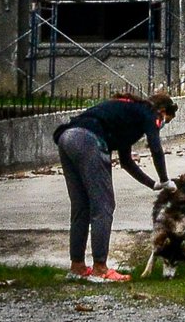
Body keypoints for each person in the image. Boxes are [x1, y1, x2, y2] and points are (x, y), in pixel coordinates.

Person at [58, 90, 176, 282]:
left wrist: (153, 184)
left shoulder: (128, 113)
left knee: (81, 206)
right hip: (89, 141)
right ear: (162, 111)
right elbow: (156, 148)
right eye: (166, 120)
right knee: (104, 206)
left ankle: (77, 266)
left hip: (67, 137)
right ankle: (100, 269)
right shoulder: (150, 112)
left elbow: (126, 161)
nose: (162, 125)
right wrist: (165, 179)